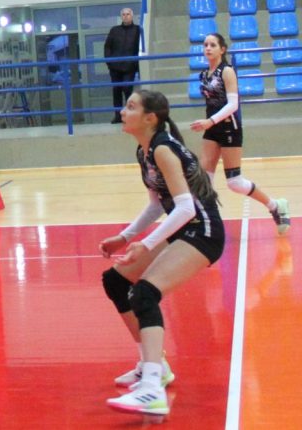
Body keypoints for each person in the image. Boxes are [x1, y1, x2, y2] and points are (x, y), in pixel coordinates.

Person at [99, 90, 224, 416]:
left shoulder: (164, 149)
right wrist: (125, 237)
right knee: (115, 281)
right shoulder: (145, 151)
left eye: (130, 107)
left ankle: (152, 389)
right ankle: (153, 365)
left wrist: (147, 243)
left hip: (203, 231)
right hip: (184, 228)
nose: (123, 111)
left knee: (145, 293)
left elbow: (185, 208)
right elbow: (157, 204)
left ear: (150, 118)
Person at [189, 33, 289, 234]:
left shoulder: (226, 71)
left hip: (229, 128)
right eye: (205, 45)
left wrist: (210, 121)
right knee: (204, 178)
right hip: (212, 130)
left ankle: (275, 205)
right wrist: (209, 124)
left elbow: (233, 104)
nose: (208, 48)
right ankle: (206, 219)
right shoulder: (203, 74)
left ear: (222, 49)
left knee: (234, 182)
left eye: (213, 45)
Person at [104, 8, 142, 123]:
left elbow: (140, 48)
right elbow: (107, 47)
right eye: (124, 14)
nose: (126, 16)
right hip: (115, 67)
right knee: (116, 91)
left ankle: (129, 116)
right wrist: (109, 62)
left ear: (132, 16)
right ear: (121, 17)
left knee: (127, 90)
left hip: (130, 67)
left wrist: (136, 65)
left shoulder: (138, 30)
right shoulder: (114, 30)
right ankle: (118, 116)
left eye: (128, 14)